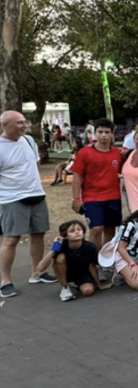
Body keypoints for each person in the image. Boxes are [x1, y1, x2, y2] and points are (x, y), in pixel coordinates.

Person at [0, 110, 56, 298]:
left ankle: (37, 272)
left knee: (38, 234)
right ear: (5, 125)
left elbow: (34, 166)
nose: (24, 126)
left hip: (36, 194)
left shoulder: (29, 141)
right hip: (12, 199)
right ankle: (5, 281)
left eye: (25, 122)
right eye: (19, 123)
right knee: (11, 239)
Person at [70, 118, 123, 277]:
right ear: (95, 133)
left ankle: (107, 261)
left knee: (110, 229)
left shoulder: (117, 153)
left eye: (107, 132)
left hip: (113, 197)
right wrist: (76, 198)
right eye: (100, 132)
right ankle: (94, 262)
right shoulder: (85, 152)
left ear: (112, 135)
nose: (104, 135)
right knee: (96, 229)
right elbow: (77, 176)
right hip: (92, 198)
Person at [34, 220, 111, 301]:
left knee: (88, 291)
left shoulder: (90, 247)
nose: (77, 232)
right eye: (72, 231)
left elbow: (92, 267)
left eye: (79, 230)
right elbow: (40, 268)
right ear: (65, 236)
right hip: (67, 273)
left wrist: (98, 285)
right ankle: (65, 287)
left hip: (83, 275)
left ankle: (76, 284)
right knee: (60, 257)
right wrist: (54, 248)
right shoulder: (61, 246)